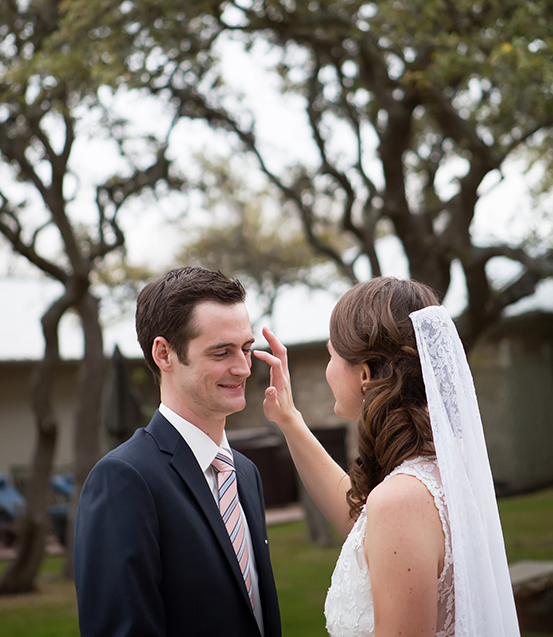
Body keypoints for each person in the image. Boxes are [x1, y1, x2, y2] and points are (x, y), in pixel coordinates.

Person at [254, 276, 521, 637]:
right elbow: (362, 525)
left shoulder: (401, 500)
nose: (326, 370)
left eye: (331, 356)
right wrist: (289, 419)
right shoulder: (437, 470)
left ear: (364, 374)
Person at [74, 266, 281, 637]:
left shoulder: (245, 472)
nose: (243, 368)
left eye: (247, 349)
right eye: (222, 352)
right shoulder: (124, 479)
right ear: (164, 354)